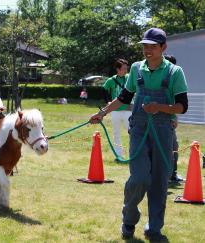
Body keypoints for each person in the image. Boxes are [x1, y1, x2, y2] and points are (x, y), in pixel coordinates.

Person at [90, 28, 188, 241]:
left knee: (160, 183)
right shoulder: (136, 69)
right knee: (140, 178)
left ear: (163, 47)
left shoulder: (175, 72)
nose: (147, 50)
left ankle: (154, 229)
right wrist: (102, 113)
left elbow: (182, 106)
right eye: (145, 46)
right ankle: (129, 219)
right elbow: (124, 97)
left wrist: (160, 107)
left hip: (164, 132)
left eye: (152, 46)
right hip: (139, 130)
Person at [102, 59, 131, 159]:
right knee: (116, 133)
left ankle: (133, 155)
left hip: (129, 110)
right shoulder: (111, 80)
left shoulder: (130, 78)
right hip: (115, 110)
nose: (126, 70)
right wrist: (108, 101)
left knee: (132, 132)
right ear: (117, 69)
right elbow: (104, 90)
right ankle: (118, 155)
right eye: (123, 69)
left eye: (126, 68)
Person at [164, 54, 184, 183]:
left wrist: (174, 117)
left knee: (174, 148)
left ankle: (172, 174)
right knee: (170, 149)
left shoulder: (173, 80)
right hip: (163, 121)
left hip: (169, 120)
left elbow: (176, 103)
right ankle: (167, 175)